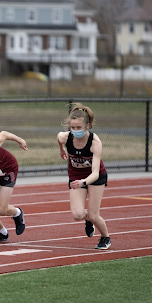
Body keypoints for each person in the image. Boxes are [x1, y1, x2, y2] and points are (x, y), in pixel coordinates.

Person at [56, 103, 111, 249]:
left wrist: (83, 182)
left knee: (94, 215)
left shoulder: (95, 143)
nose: (75, 131)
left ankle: (105, 237)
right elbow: (59, 137)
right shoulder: (65, 137)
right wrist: (62, 150)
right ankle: (88, 220)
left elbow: (95, 172)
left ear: (87, 126)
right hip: (75, 175)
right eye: (72, 128)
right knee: (78, 215)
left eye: (78, 128)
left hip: (95, 177)